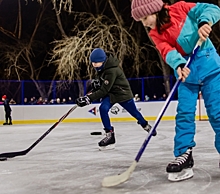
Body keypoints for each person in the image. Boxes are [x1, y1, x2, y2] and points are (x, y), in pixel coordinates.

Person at [131, 0, 220, 181]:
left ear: (156, 10)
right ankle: (184, 154)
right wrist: (178, 64)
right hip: (186, 75)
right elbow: (167, 51)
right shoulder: (155, 34)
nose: (145, 23)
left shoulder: (180, 8)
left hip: (210, 68)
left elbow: (212, 9)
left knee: (217, 113)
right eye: (141, 20)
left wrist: (204, 22)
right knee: (184, 114)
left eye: (145, 17)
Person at [76, 48, 157, 150]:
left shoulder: (112, 70)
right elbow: (102, 86)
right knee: (103, 109)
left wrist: (88, 98)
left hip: (122, 93)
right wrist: (95, 86)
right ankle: (110, 135)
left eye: (96, 62)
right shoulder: (101, 69)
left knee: (135, 113)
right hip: (111, 94)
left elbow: (104, 90)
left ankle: (145, 125)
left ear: (103, 60)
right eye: (92, 62)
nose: (94, 65)